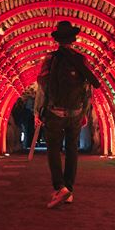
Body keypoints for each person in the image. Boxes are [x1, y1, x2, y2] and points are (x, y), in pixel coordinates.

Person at [34, 21, 101, 209]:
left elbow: (43, 87)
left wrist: (38, 111)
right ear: (73, 39)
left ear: (58, 40)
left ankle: (60, 187)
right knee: (72, 150)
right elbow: (88, 89)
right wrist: (85, 112)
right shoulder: (81, 60)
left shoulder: (50, 59)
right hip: (76, 112)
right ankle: (69, 190)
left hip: (55, 112)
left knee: (53, 149)